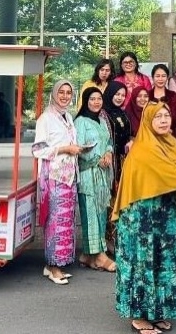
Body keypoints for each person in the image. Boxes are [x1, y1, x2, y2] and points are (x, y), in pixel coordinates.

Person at [112, 102, 176, 334]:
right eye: (157, 116)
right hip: (142, 219)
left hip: (164, 215)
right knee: (144, 263)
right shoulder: (143, 149)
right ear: (148, 121)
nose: (163, 119)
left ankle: (157, 312)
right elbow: (174, 177)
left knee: (162, 262)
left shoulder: (170, 145)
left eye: (166, 115)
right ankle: (139, 316)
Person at [32, 80, 83, 285]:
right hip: (53, 178)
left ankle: (56, 264)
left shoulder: (67, 116)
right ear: (54, 94)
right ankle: (53, 266)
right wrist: (64, 149)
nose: (64, 96)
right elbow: (38, 150)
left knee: (66, 222)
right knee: (54, 222)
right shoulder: (45, 118)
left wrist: (76, 148)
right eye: (61, 92)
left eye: (68, 92)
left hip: (69, 176)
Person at [75, 87, 116, 272]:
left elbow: (108, 141)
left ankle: (87, 255)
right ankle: (99, 255)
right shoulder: (80, 122)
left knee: (100, 214)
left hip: (102, 177)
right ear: (86, 101)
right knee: (90, 215)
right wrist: (96, 159)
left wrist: (108, 152)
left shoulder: (101, 120)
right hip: (88, 176)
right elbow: (79, 149)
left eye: (99, 98)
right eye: (92, 99)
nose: (96, 102)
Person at [102, 80, 131, 254]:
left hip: (123, 162)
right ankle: (109, 241)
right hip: (110, 163)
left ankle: (122, 239)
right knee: (111, 201)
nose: (119, 97)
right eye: (117, 94)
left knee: (122, 200)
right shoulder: (103, 114)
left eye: (122, 95)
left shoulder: (122, 113)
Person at [151, 63, 176, 133]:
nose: (160, 79)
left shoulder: (172, 95)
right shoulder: (148, 95)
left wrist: (166, 128)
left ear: (167, 78)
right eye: (157, 76)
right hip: (151, 133)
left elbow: (175, 116)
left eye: (163, 76)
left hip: (169, 132)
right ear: (153, 78)